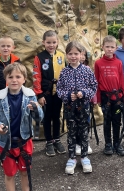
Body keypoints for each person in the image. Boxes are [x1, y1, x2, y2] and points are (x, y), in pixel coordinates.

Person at [0, 63, 43, 191]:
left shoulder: (30, 96)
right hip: (6, 144)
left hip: (25, 142)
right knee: (10, 174)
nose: (14, 80)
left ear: (24, 79)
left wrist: (36, 109)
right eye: (10, 77)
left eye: (18, 77)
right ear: (5, 79)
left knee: (25, 172)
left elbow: (40, 118)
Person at [57, 41, 97, 174]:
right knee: (71, 132)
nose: (73, 56)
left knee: (84, 131)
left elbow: (93, 86)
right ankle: (72, 157)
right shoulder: (64, 72)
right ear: (66, 55)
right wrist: (68, 95)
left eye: (76, 53)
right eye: (70, 54)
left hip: (84, 106)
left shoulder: (86, 70)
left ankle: (84, 156)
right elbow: (59, 89)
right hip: (69, 108)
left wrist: (84, 93)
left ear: (81, 55)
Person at [33, 30, 66, 156]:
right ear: (43, 42)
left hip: (59, 91)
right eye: (48, 42)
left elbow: (65, 74)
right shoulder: (39, 57)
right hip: (45, 92)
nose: (51, 45)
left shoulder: (61, 56)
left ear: (57, 42)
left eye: (53, 42)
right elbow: (36, 76)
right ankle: (49, 141)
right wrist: (39, 94)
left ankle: (57, 139)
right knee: (47, 117)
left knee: (57, 116)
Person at [94, 35, 124, 156]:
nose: (109, 49)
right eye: (107, 47)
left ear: (116, 48)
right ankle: (108, 144)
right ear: (102, 47)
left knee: (117, 121)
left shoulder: (118, 63)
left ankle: (117, 144)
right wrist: (97, 98)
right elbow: (96, 81)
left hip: (117, 98)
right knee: (107, 121)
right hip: (105, 98)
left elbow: (121, 80)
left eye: (112, 47)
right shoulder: (98, 63)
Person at [75, 48, 94, 156]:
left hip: (86, 101)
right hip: (74, 102)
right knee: (76, 123)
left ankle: (85, 142)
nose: (82, 57)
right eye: (80, 54)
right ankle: (77, 143)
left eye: (83, 55)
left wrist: (93, 99)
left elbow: (92, 85)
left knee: (86, 122)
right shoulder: (68, 70)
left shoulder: (87, 69)